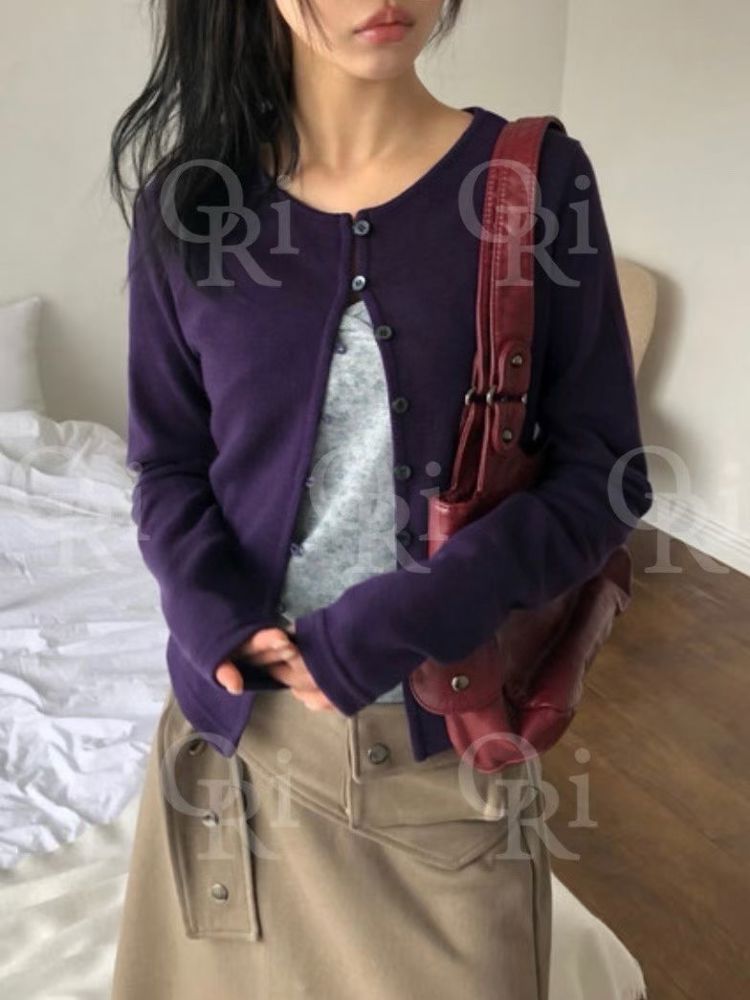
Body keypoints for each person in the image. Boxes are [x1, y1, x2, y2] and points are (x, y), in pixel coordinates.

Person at [108, 2, 653, 998]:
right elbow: (169, 465)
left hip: (437, 771)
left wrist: (406, 618)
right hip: (231, 760)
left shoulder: (532, 185)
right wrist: (209, 614)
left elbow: (607, 473)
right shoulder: (187, 207)